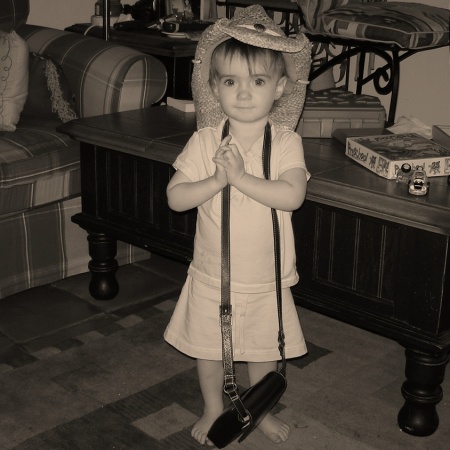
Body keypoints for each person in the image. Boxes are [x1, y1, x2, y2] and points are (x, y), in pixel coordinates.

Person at [164, 5, 312, 446]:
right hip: (214, 273)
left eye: (258, 82)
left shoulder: (286, 143)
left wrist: (243, 179)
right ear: (214, 87)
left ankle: (258, 409)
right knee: (209, 348)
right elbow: (175, 198)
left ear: (280, 88)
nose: (244, 93)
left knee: (263, 351)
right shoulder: (206, 140)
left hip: (266, 277)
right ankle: (213, 406)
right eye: (230, 81)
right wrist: (214, 179)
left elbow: (292, 196)